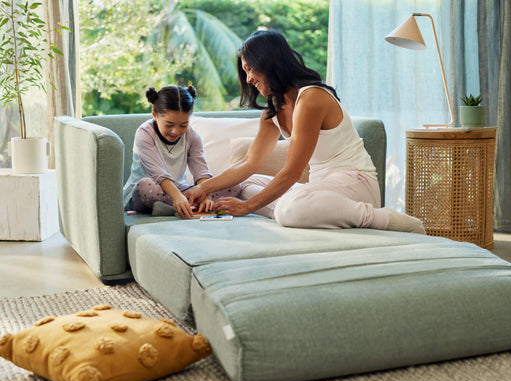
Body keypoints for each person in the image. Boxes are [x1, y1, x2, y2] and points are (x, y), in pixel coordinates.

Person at [188, 30, 425, 234]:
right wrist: (203, 188)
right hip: (321, 189)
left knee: (288, 208)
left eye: (250, 69)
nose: (248, 79)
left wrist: (247, 207)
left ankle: (380, 218)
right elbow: (249, 163)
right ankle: (305, 210)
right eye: (245, 71)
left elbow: (292, 172)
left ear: (269, 63)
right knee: (244, 184)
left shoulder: (311, 98)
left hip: (355, 184)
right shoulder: (272, 112)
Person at [123, 85, 240, 219]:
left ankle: (175, 206)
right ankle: (183, 205)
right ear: (154, 114)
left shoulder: (192, 137)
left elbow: (201, 172)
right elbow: (158, 173)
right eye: (169, 125)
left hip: (180, 190)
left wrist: (206, 195)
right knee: (146, 187)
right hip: (150, 190)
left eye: (183, 125)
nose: (176, 131)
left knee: (234, 184)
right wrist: (177, 197)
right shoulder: (145, 133)